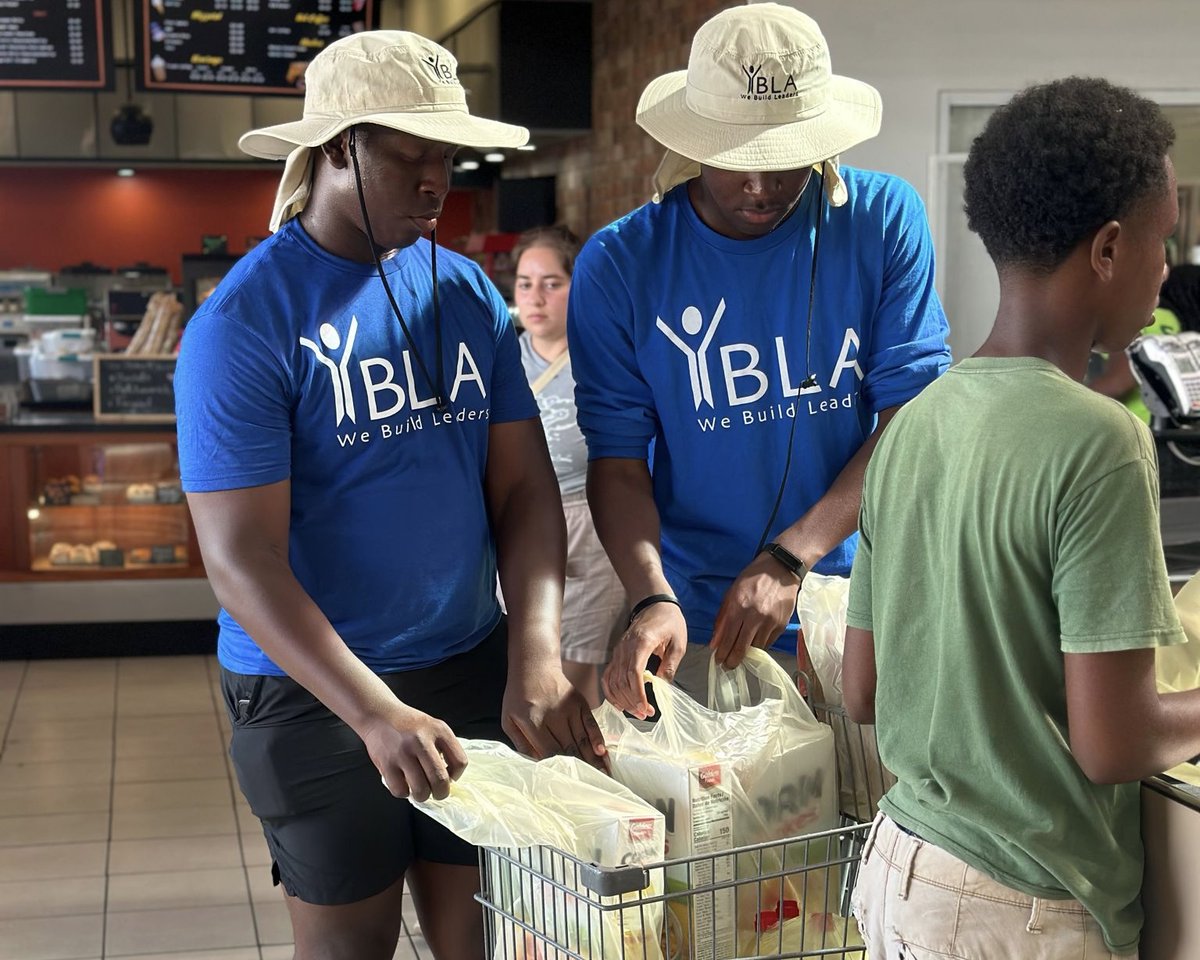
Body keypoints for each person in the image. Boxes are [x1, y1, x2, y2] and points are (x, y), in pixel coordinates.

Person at [173, 31, 603, 960]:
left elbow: (525, 488)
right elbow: (241, 557)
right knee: (351, 945)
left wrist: (534, 650)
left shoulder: (465, 293)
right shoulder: (244, 323)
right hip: (311, 688)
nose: (436, 179)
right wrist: (371, 711)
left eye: (446, 156)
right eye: (411, 154)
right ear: (337, 147)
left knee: (487, 935)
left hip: (465, 657)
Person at [843, 77, 1200, 959]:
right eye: (1162, 239)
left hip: (898, 870)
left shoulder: (915, 422)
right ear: (1109, 248)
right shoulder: (1100, 438)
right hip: (1016, 906)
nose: (1167, 266)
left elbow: (862, 691)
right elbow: (1114, 743)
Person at [567, 2, 951, 718]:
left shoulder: (881, 219)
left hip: (861, 610)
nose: (762, 185)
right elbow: (617, 461)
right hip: (695, 623)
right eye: (739, 159)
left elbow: (914, 417)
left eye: (785, 158)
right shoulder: (621, 263)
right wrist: (650, 596)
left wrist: (792, 555)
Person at [511, 225, 627, 706]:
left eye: (551, 283)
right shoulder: (503, 360)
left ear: (576, 286)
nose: (535, 297)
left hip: (589, 520)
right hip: (520, 522)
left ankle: (584, 751)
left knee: (574, 670)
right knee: (524, 663)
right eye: (525, 283)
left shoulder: (600, 357)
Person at [1089, 262, 1200, 422]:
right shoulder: (1184, 331)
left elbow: (1118, 383)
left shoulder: (1147, 317)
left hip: (1135, 424)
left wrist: (1068, 404)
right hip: (1174, 429)